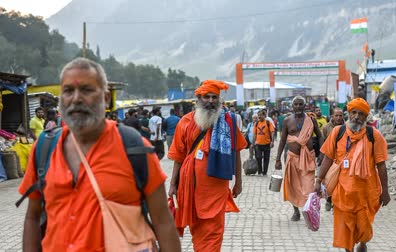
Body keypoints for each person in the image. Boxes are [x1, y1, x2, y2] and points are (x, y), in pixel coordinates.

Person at [18, 58, 181, 251]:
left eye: (86, 90)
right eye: (68, 90)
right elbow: (32, 217)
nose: (76, 98)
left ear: (105, 98)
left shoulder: (135, 149)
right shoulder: (44, 148)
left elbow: (163, 221)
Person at [168, 80, 245, 251]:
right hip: (190, 186)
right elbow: (178, 156)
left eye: (214, 97)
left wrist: (238, 182)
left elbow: (236, 152)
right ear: (199, 98)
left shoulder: (228, 122)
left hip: (217, 187)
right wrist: (173, 184)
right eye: (206, 97)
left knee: (214, 231)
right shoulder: (185, 122)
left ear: (219, 99)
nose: (210, 101)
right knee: (197, 229)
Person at [314, 97, 390, 252]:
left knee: (364, 229)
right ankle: (349, 248)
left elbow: (381, 165)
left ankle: (362, 243)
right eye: (353, 112)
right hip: (343, 192)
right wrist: (318, 180)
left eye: (361, 114)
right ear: (348, 113)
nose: (356, 116)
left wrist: (385, 191)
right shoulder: (337, 132)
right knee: (346, 229)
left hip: (366, 193)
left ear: (366, 117)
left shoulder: (374, 135)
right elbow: (327, 158)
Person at [275, 96, 323, 221]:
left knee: (309, 185)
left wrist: (322, 153)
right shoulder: (287, 121)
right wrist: (277, 159)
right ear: (292, 106)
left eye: (300, 104)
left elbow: (320, 135)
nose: (298, 106)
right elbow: (282, 140)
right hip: (292, 157)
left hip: (308, 157)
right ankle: (296, 211)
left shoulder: (311, 120)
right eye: (295, 104)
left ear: (305, 105)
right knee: (293, 185)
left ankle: (308, 211)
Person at [320, 107, 344, 211]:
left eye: (340, 115)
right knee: (329, 179)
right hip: (330, 157)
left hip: (341, 158)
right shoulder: (326, 128)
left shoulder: (347, 127)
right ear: (332, 116)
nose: (338, 117)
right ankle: (329, 200)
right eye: (336, 115)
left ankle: (337, 203)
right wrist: (322, 156)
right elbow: (324, 142)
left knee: (340, 181)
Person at [253, 109, 275, 176]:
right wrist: (252, 143)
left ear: (264, 115)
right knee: (258, 157)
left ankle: (265, 172)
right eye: (258, 115)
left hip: (267, 144)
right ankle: (259, 171)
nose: (259, 117)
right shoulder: (256, 124)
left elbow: (272, 132)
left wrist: (272, 141)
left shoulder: (268, 123)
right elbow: (254, 134)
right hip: (258, 144)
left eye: (261, 115)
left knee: (266, 158)